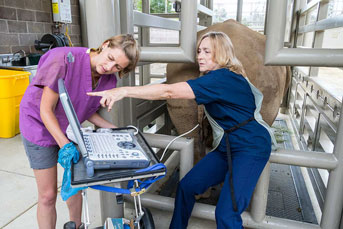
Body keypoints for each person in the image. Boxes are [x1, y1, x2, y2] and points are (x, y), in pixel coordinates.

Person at [88, 31, 274, 229]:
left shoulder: (221, 79)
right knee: (186, 187)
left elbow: (168, 91)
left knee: (227, 214)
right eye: (198, 51)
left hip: (251, 147)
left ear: (221, 54)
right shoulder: (221, 77)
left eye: (207, 52)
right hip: (227, 145)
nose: (199, 56)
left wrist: (123, 91)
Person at [19, 34, 139, 229]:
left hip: (69, 126)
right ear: (104, 44)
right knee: (48, 194)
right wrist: (65, 144)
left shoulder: (108, 81)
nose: (110, 68)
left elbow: (87, 111)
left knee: (76, 186)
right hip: (38, 124)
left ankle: (77, 226)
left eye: (118, 67)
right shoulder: (62, 59)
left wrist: (118, 131)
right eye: (110, 59)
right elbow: (45, 110)